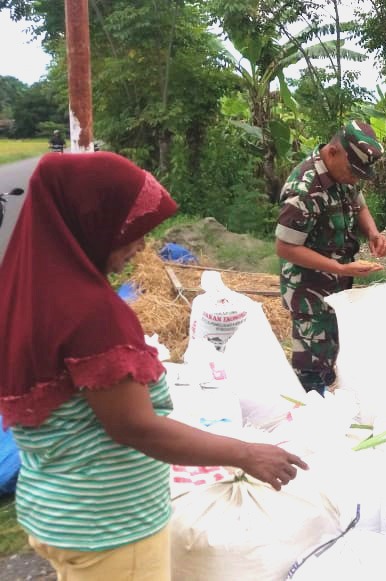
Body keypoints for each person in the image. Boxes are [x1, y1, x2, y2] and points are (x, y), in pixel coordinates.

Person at [0, 152, 308, 580]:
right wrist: (245, 453)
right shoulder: (90, 312)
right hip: (110, 526)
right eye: (128, 232)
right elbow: (135, 427)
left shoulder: (27, 290)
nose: (139, 247)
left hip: (55, 509)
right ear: (90, 223)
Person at [276, 120, 386, 394]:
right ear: (332, 152)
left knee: (335, 354)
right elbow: (285, 247)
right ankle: (310, 418)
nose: (355, 178)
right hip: (308, 289)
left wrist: (373, 233)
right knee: (313, 368)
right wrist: (340, 268)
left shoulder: (343, 174)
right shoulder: (304, 189)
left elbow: (358, 203)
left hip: (336, 282)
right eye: (353, 171)